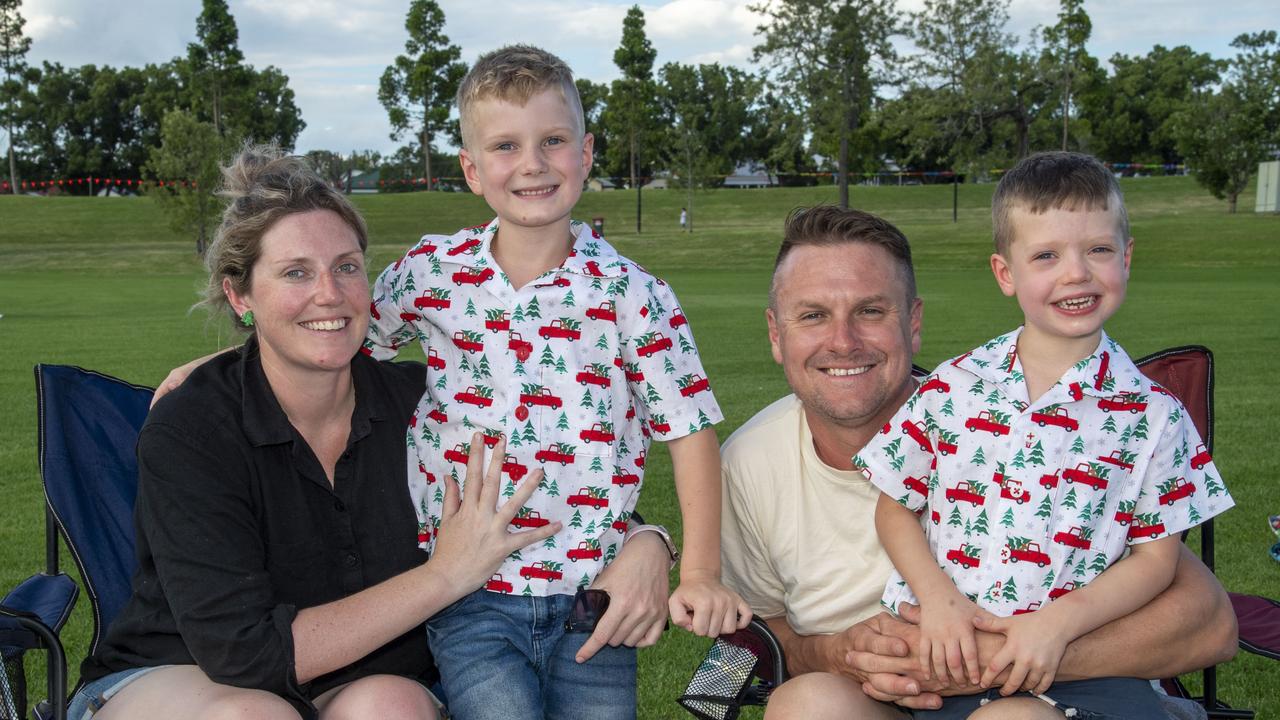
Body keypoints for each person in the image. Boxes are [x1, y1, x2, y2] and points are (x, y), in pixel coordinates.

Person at [74, 147, 675, 720]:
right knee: (252, 713)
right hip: (187, 678)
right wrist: (445, 574)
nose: (329, 294)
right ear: (240, 295)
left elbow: (559, 483)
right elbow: (245, 653)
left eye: (347, 268)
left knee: (393, 706)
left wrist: (648, 541)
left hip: (360, 683)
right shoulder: (193, 427)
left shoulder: (425, 401)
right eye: (295, 272)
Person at [720, 204, 1240, 719]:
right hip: (882, 694)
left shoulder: (987, 419)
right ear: (774, 333)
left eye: (871, 311)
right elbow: (748, 639)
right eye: (813, 315)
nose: (843, 341)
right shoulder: (746, 462)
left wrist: (996, 658)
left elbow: (1212, 624)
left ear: (914, 322)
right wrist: (837, 655)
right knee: (806, 706)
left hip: (1045, 687)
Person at [362, 46, 748, 719]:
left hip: (593, 598)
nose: (533, 163)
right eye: (506, 146)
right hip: (466, 589)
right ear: (472, 169)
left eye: (553, 141)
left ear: (587, 152)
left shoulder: (634, 295)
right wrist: (221, 370)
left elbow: (689, 432)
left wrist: (703, 571)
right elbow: (338, 341)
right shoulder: (433, 272)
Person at [858, 151, 1233, 718]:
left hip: (1082, 675)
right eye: (1046, 255)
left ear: (1127, 259)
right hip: (940, 649)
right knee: (809, 699)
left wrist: (1059, 622)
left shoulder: (1154, 415)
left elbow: (1157, 561)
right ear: (1006, 274)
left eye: (1099, 250)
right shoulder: (954, 385)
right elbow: (893, 509)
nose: (1076, 273)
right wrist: (939, 602)